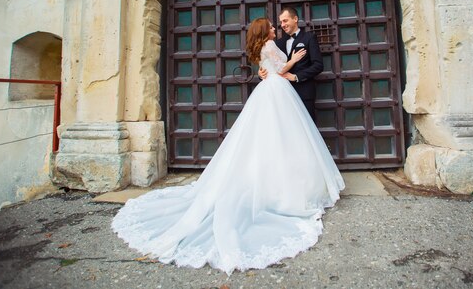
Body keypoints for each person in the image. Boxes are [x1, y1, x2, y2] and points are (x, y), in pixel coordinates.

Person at [112, 18, 344, 275]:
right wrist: (295, 59)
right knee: (278, 134)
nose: (275, 28)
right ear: (264, 31)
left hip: (274, 90)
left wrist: (271, 68)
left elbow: (267, 67)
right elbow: (278, 69)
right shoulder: (269, 45)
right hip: (277, 89)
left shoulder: (266, 45)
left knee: (275, 135)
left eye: (276, 24)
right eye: (271, 26)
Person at [260, 7, 323, 121]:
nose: (282, 25)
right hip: (282, 95)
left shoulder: (309, 38)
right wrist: (261, 73)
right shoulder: (277, 43)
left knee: (307, 128)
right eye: (281, 22)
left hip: (304, 92)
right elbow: (272, 65)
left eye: (285, 20)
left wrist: (296, 77)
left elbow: (318, 65)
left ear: (295, 19)